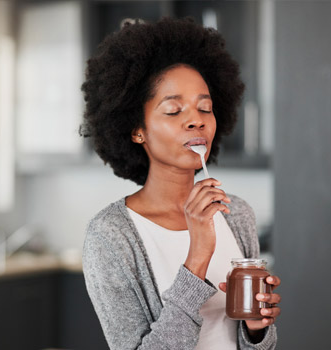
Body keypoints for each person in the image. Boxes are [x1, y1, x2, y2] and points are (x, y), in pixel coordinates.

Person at [80, 17, 281, 349]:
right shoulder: (111, 236)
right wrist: (198, 253)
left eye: (206, 108)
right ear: (136, 129)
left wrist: (257, 329)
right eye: (174, 111)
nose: (196, 120)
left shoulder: (236, 214)